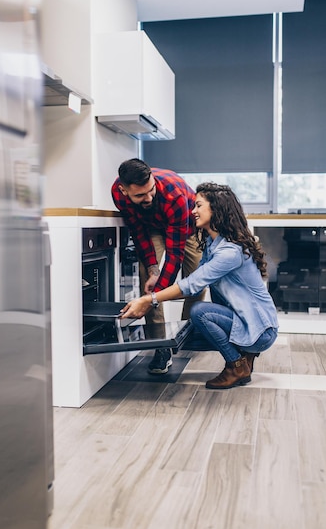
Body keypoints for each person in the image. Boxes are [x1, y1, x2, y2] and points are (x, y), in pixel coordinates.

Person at [120, 182, 278, 390]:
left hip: (260, 330)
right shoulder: (214, 244)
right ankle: (245, 356)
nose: (192, 211)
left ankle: (236, 365)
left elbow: (192, 284)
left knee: (200, 312)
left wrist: (149, 299)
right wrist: (157, 291)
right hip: (246, 321)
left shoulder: (229, 252)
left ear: (217, 209)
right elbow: (193, 283)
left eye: (198, 206)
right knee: (184, 336)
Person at [111, 159, 206, 374]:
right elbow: (138, 232)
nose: (148, 197)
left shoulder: (174, 195)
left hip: (186, 227)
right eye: (140, 195)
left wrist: (150, 300)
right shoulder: (117, 194)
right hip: (151, 225)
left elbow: (175, 255)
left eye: (151, 190)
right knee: (148, 278)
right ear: (123, 191)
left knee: (197, 282)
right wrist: (153, 270)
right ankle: (160, 346)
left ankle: (185, 334)